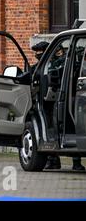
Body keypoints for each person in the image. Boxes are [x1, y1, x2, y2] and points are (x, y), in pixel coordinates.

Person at [38, 42, 85, 171]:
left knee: (68, 126)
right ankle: (53, 160)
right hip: (52, 101)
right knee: (52, 130)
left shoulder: (62, 63)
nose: (38, 55)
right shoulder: (47, 64)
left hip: (64, 99)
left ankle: (75, 162)